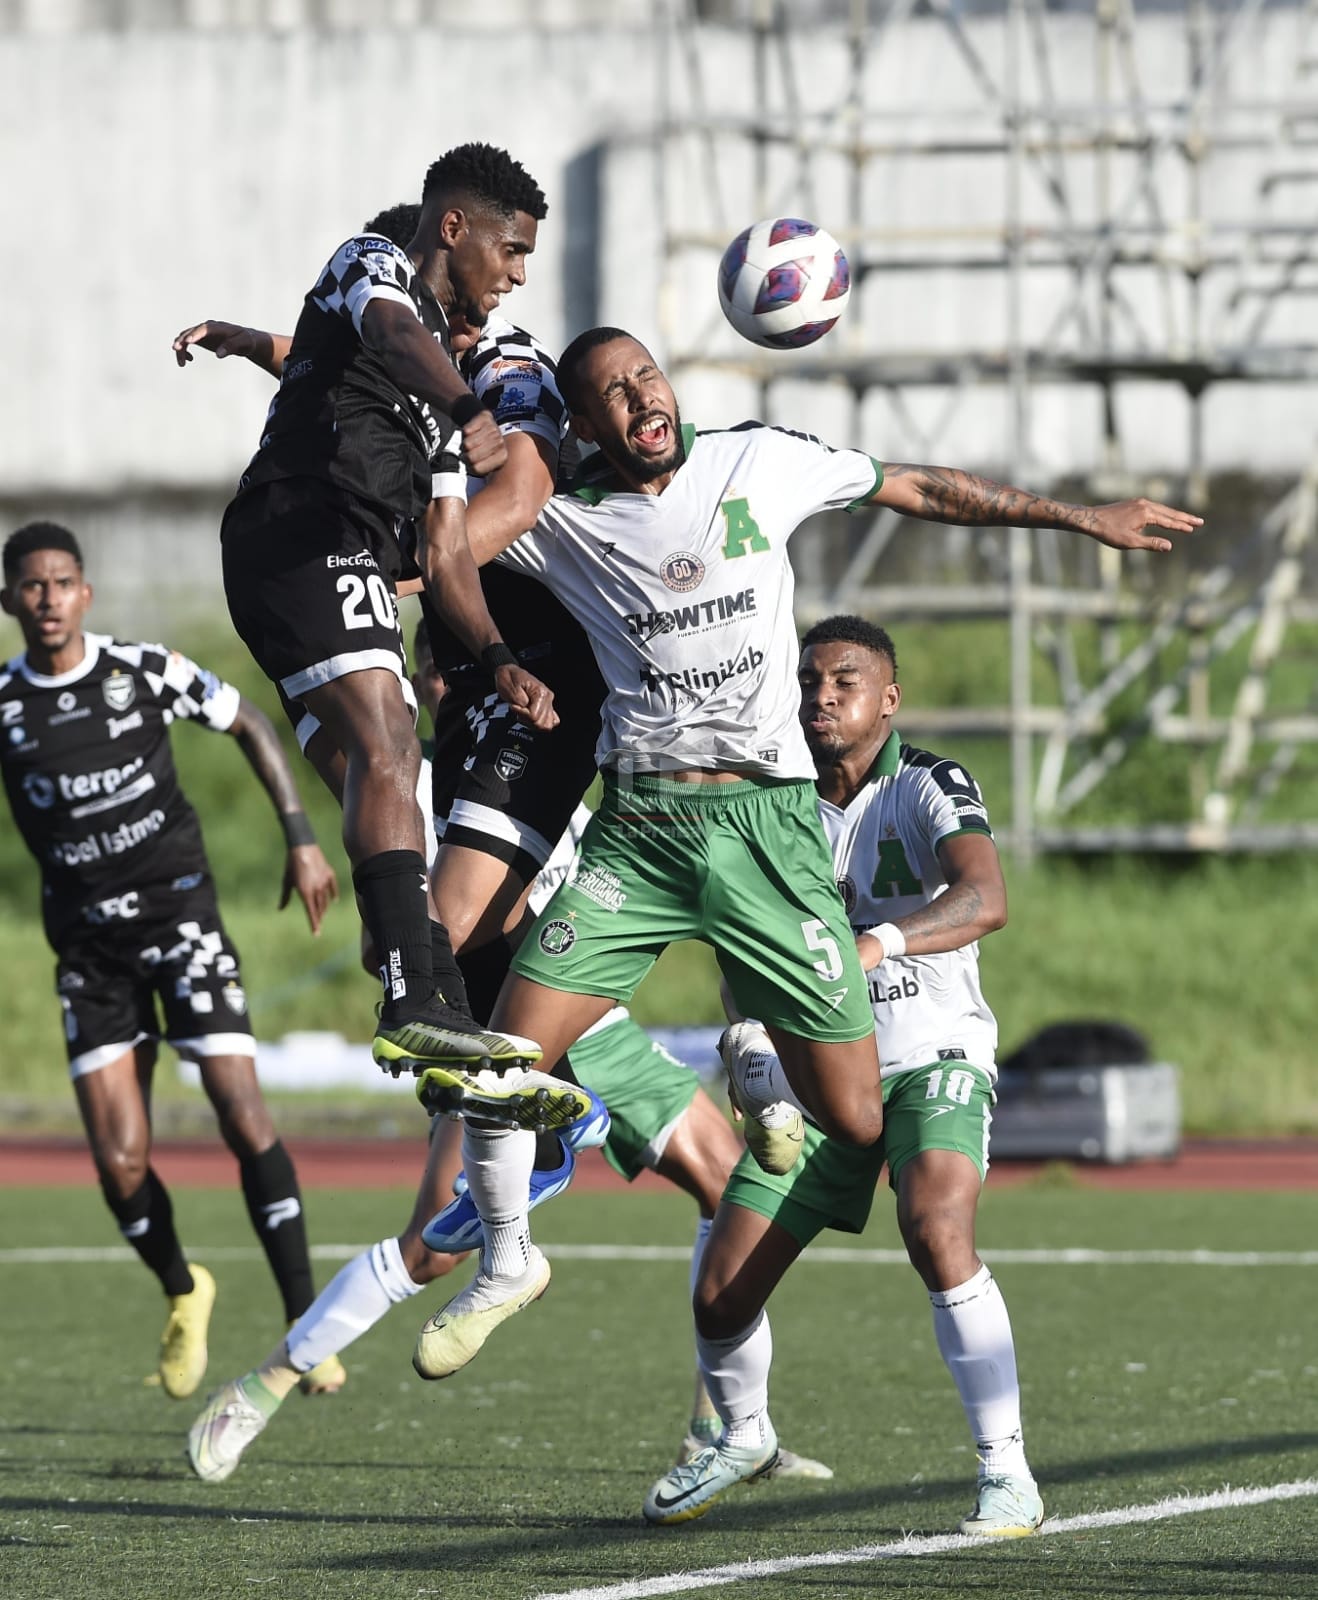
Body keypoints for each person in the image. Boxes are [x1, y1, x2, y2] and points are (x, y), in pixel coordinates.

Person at [411, 325, 1201, 1383]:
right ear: (586, 425)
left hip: (766, 834)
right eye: (610, 393)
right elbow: (440, 547)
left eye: (647, 374)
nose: (641, 398)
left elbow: (918, 486)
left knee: (853, 1115)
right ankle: (507, 1259)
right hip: (639, 833)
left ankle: (757, 1070)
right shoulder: (560, 514)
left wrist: (1079, 517)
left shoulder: (758, 460)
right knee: (500, 1059)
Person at [183, 626, 831, 1485]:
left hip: (595, 1027)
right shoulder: (395, 777)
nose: (452, 690)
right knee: (429, 1248)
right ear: (412, 688)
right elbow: (326, 734)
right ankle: (262, 1387)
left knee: (732, 1186)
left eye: (462, 672)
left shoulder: (544, 746)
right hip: (494, 1028)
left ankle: (724, 1427)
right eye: (434, 676)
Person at [205, 144, 584, 1134]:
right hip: (300, 528)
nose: (515, 274)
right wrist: (467, 408)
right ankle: (415, 1003)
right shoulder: (369, 265)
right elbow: (379, 328)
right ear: (451, 228)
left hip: (343, 554)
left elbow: (449, 550)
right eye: (510, 249)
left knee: (392, 793)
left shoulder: (447, 386)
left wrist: (498, 655)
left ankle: (447, 1021)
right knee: (388, 738)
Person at [643, 614, 1042, 1535]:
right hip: (816, 1076)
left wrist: (875, 943)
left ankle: (1006, 1470)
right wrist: (746, 1036)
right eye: (809, 680)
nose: (822, 696)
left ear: (888, 698)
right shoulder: (763, 802)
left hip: (930, 1056)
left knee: (937, 1225)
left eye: (845, 681)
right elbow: (738, 946)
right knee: (720, 1292)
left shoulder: (929, 782)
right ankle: (743, 1433)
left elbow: (986, 897)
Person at [0, 520, 343, 1399]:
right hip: (88, 951)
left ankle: (306, 1326)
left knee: (239, 1109)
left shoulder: (140, 671)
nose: (48, 600)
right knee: (118, 1161)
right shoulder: (5, 704)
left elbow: (251, 722)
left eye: (62, 582)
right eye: (31, 586)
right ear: (9, 601)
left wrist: (301, 840)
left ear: (86, 593)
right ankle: (185, 1289)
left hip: (179, 919)